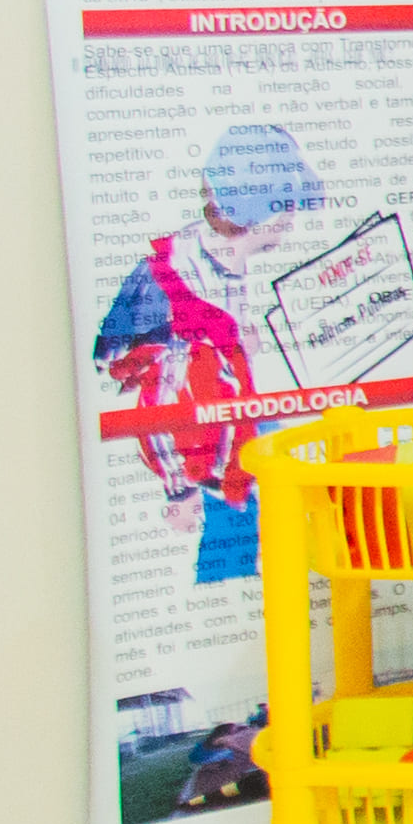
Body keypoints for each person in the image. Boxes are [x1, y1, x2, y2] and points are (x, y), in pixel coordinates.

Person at [95, 122, 325, 587]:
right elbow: (152, 390)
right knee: (233, 560)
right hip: (212, 469)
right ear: (260, 212)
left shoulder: (226, 265)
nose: (291, 221)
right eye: (287, 209)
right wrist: (178, 489)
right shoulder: (172, 280)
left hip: (238, 449)